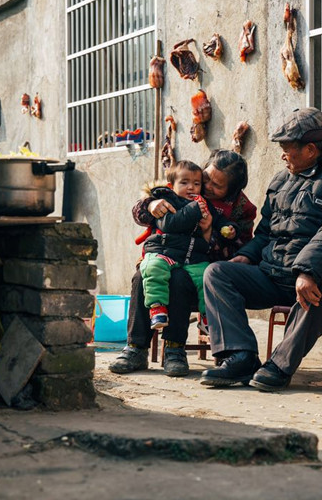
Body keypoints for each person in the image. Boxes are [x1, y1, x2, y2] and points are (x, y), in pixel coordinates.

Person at [199, 107, 322, 390]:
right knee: (218, 274)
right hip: (278, 275)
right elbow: (265, 232)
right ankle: (239, 357)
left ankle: (280, 365)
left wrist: (309, 270)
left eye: (288, 149)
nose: (282, 155)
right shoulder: (282, 180)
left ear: (310, 149)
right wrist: (246, 256)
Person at [109, 149, 256, 377]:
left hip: (202, 264)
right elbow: (141, 211)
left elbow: (239, 245)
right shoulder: (186, 187)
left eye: (217, 186)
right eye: (206, 178)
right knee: (141, 276)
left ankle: (174, 350)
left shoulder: (240, 209)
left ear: (232, 191)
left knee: (180, 280)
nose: (206, 187)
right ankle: (136, 348)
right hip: (164, 255)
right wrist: (150, 205)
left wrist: (209, 234)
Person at [136, 160, 238, 331]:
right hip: (163, 252)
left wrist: (228, 229)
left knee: (206, 278)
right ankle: (157, 308)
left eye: (196, 184)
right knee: (152, 269)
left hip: (192, 257)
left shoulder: (204, 204)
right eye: (184, 183)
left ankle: (207, 318)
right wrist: (195, 209)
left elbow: (220, 220)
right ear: (171, 185)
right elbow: (169, 224)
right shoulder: (166, 201)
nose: (191, 187)